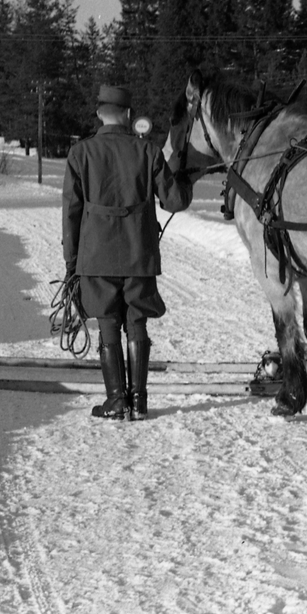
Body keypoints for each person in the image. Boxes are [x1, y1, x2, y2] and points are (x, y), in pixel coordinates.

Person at [63, 85, 193, 421]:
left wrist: (71, 263)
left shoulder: (80, 154)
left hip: (96, 256)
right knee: (137, 321)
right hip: (139, 254)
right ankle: (139, 402)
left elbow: (71, 214)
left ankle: (116, 401)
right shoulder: (148, 151)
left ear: (98, 113)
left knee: (108, 322)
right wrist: (185, 174)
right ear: (129, 115)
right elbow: (175, 201)